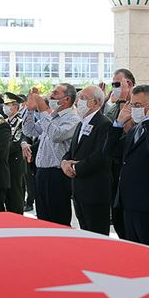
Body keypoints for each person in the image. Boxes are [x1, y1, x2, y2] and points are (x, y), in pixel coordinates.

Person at [105, 84, 149, 248]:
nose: (134, 109)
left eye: (138, 105)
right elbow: (110, 151)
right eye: (132, 104)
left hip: (148, 203)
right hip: (128, 201)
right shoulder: (135, 129)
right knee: (133, 250)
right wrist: (118, 124)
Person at [22, 83, 80, 225]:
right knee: (43, 219)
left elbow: (56, 135)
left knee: (58, 219)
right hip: (42, 172)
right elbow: (29, 130)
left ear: (67, 99)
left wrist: (42, 110)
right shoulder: (52, 117)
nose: (50, 96)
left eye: (55, 93)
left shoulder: (73, 118)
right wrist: (30, 110)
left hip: (57, 175)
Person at [60, 85, 111, 235]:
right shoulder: (81, 123)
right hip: (79, 190)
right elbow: (72, 151)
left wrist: (75, 168)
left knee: (97, 235)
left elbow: (100, 156)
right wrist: (64, 162)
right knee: (85, 234)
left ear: (95, 102)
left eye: (83, 98)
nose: (78, 101)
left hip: (95, 191)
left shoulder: (104, 123)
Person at [104, 68, 137, 238]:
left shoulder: (138, 106)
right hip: (112, 167)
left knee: (129, 223)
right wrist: (103, 100)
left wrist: (125, 99)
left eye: (117, 84)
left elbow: (128, 129)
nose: (114, 88)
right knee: (117, 219)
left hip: (128, 168)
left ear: (129, 84)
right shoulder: (114, 107)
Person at [4, 92, 27, 214]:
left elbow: (16, 142)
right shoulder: (4, 121)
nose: (5, 107)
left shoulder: (20, 122)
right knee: (7, 194)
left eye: (8, 105)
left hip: (15, 162)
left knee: (15, 194)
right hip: (4, 162)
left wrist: (0, 150)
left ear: (16, 107)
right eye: (5, 105)